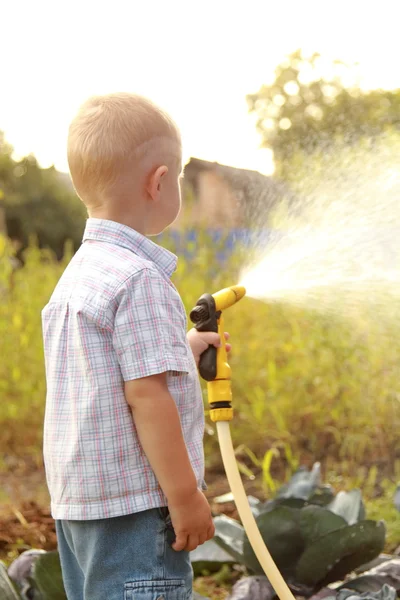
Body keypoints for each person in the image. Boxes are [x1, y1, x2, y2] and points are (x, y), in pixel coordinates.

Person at [41, 92, 229, 600]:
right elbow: (147, 397)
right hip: (138, 509)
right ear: (159, 181)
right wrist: (185, 496)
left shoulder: (78, 277)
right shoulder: (140, 279)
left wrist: (181, 349)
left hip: (80, 508)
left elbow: (110, 373)